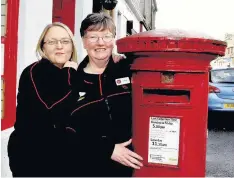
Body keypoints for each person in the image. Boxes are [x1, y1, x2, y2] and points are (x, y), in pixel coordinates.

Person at [66, 12, 143, 177]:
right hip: (88, 167)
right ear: (84, 41)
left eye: (107, 36)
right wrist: (108, 149)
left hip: (131, 167)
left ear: (114, 39)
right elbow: (67, 130)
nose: (100, 43)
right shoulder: (73, 80)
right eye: (93, 37)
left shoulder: (129, 69)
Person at [7, 22, 79, 177]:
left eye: (65, 41)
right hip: (33, 158)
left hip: (62, 158)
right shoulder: (35, 72)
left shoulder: (72, 73)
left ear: (72, 46)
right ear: (43, 47)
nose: (59, 46)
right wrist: (70, 73)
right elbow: (52, 111)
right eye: (52, 42)